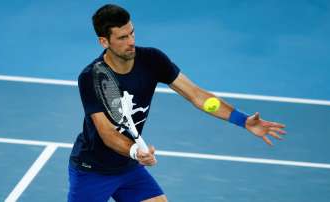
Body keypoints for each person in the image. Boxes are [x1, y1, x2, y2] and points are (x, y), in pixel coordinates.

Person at [68, 4, 286, 202]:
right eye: (122, 37)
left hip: (127, 169)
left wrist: (242, 120)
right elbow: (107, 133)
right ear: (104, 41)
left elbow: (196, 94)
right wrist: (136, 151)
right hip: (92, 170)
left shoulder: (152, 60)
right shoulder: (92, 77)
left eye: (132, 32)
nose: (131, 41)